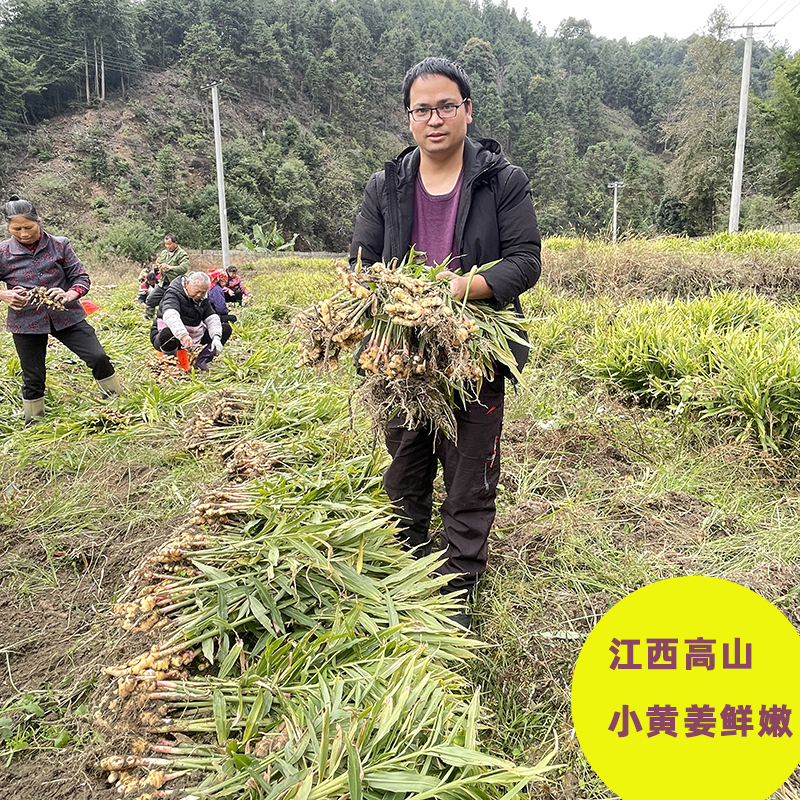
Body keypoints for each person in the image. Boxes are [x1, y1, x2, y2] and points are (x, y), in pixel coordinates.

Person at [349, 57, 541, 628]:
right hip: (401, 353)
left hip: (473, 348)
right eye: (421, 109)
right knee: (405, 464)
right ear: (409, 117)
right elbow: (360, 262)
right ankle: (407, 571)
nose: (434, 119)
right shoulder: (386, 185)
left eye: (446, 107)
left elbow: (525, 261)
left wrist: (465, 287)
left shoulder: (501, 180)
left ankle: (458, 586)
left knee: (469, 471)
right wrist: (387, 294)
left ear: (467, 111)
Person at [0, 195, 123, 422]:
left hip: (66, 314)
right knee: (33, 376)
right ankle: (35, 422)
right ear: (8, 226)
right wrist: (4, 294)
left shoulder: (60, 244)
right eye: (16, 229)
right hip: (26, 320)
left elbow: (81, 277)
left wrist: (69, 294)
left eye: (28, 227)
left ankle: (117, 403)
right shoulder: (3, 252)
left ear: (39, 221)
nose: (24, 233)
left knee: (98, 357)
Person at [150, 271, 231, 371]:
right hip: (171, 336)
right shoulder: (173, 293)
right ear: (187, 284)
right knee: (168, 333)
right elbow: (170, 315)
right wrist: (183, 335)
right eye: (197, 291)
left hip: (193, 337)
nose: (199, 295)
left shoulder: (203, 299)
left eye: (203, 292)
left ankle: (201, 361)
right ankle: (171, 363)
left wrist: (216, 337)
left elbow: (211, 317)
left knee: (225, 329)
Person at [144, 233, 190, 319]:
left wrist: (170, 267)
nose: (168, 246)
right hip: (163, 283)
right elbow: (158, 269)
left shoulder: (182, 254)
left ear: (175, 243)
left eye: (169, 244)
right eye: (166, 244)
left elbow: (184, 268)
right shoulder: (164, 253)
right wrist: (156, 268)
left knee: (175, 303)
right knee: (150, 299)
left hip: (176, 284)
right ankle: (148, 318)